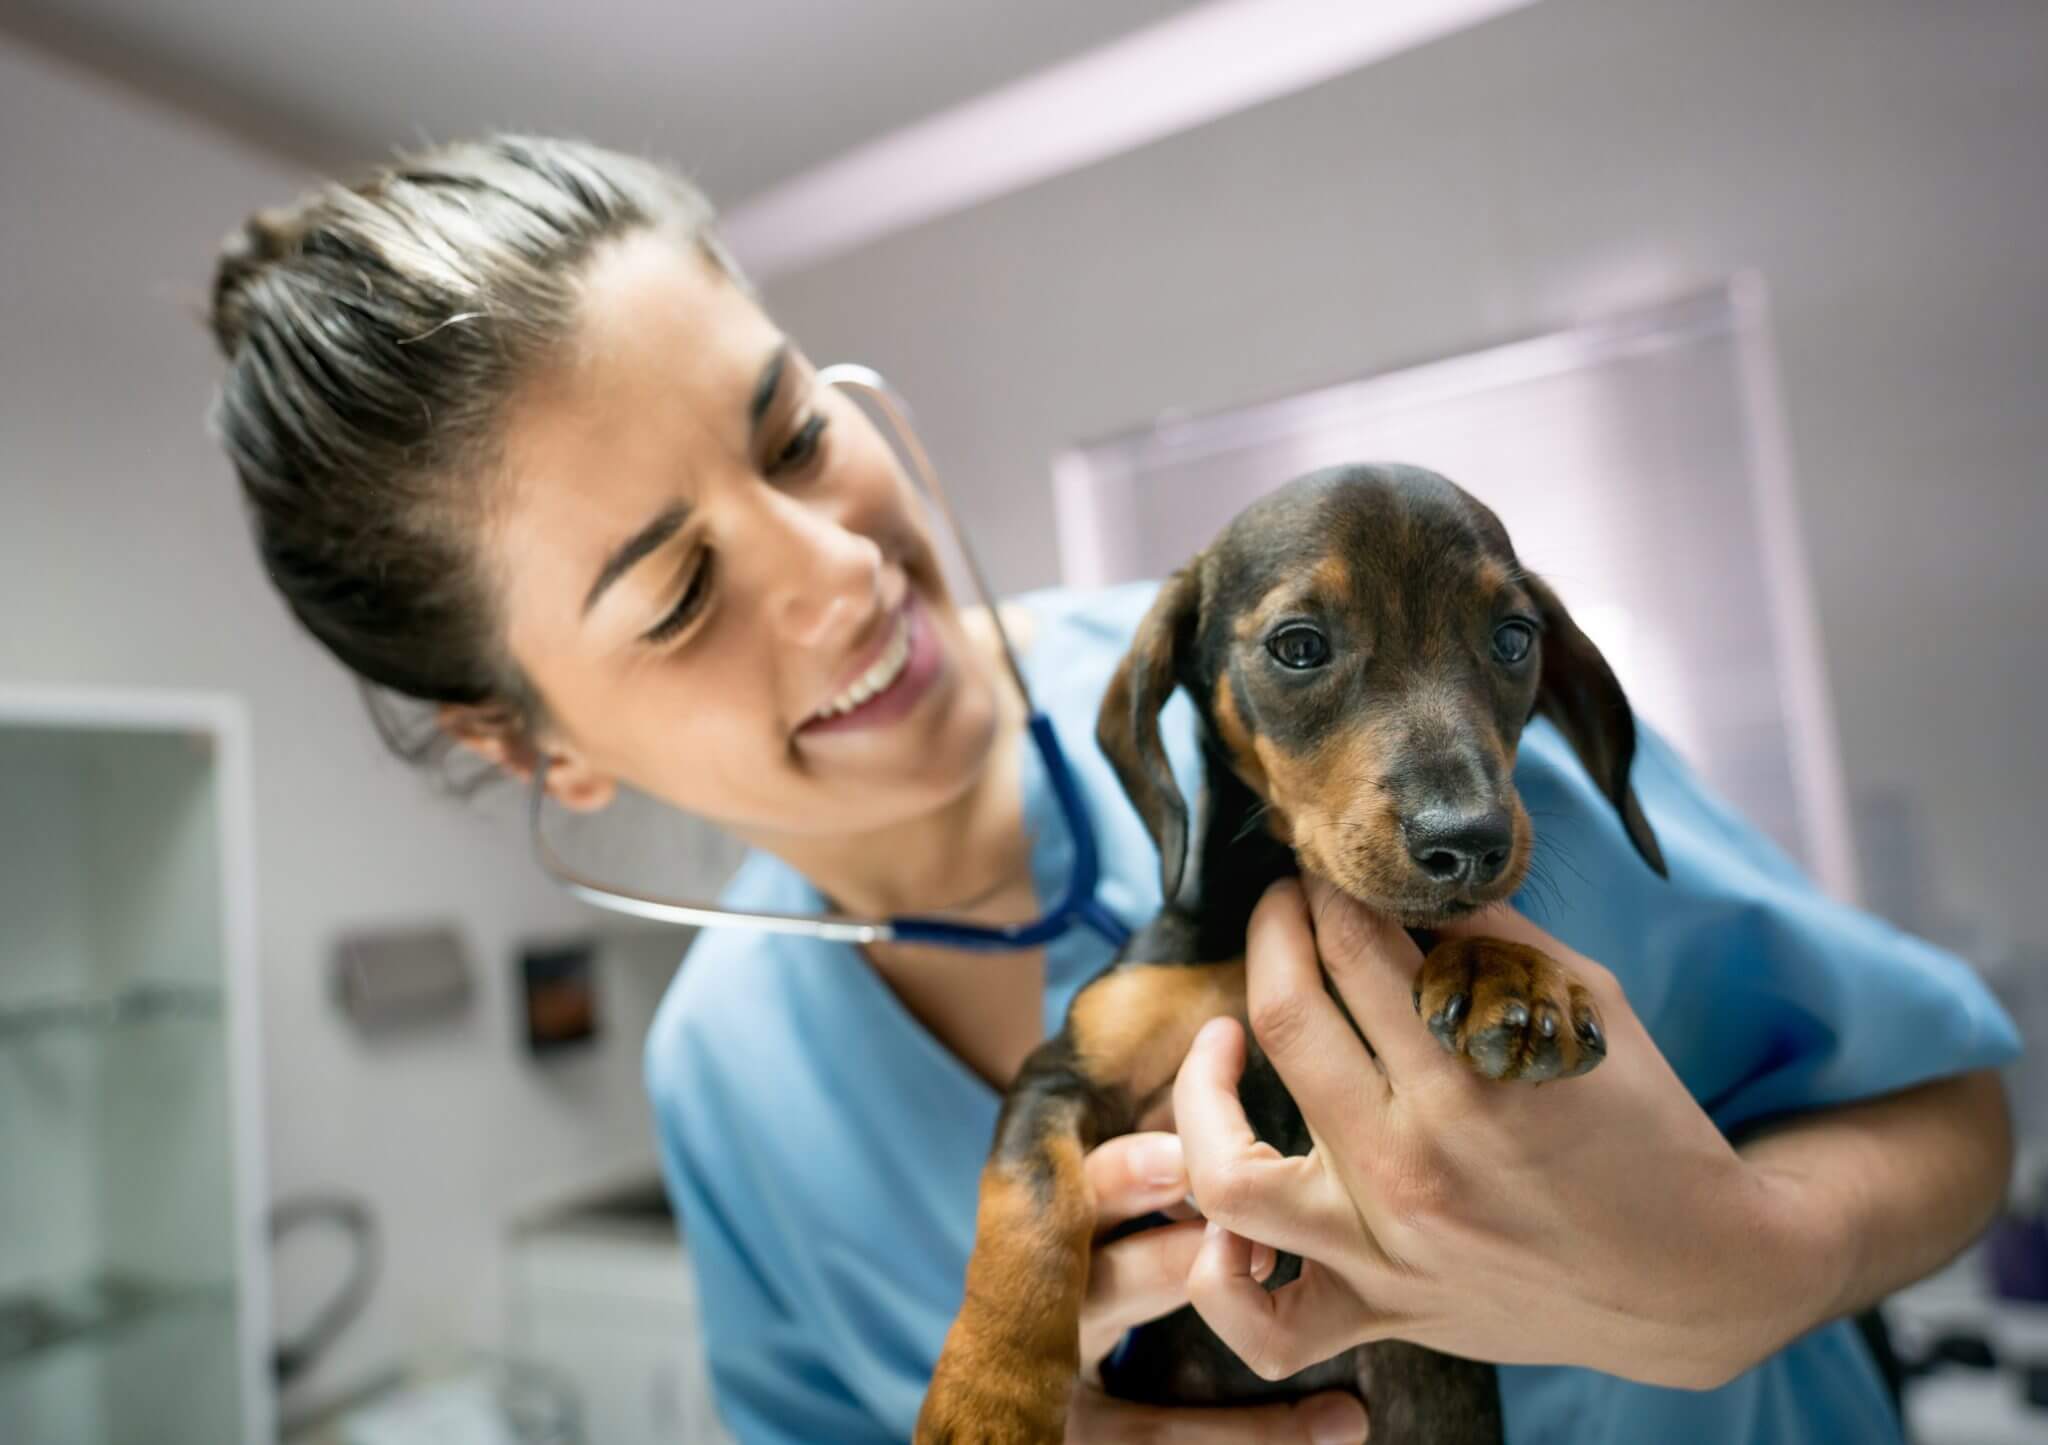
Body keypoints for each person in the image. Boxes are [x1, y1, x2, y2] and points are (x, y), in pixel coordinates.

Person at [205, 134, 2019, 1445]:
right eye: (678, 592)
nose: (837, 571)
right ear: (531, 744)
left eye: (792, 434)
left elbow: (1953, 1117)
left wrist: (1744, 1272)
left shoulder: (1377, 705)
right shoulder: (729, 1079)